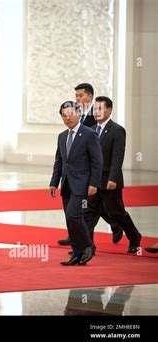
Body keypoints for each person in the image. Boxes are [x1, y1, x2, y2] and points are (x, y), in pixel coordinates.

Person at [58, 83, 123, 246]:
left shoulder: (96, 114)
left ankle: (87, 239)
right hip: (78, 168)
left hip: (92, 168)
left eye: (81, 95)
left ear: (90, 97)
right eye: (76, 96)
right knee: (89, 205)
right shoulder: (75, 114)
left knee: (93, 205)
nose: (78, 98)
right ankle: (80, 237)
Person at [83, 97, 142, 254]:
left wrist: (113, 178)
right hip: (93, 180)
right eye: (94, 109)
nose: (96, 112)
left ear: (109, 110)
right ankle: (87, 246)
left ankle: (135, 237)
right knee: (89, 213)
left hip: (109, 179)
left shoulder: (117, 130)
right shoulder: (91, 130)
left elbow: (118, 156)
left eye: (100, 109)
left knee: (117, 212)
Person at [49, 101, 103, 266]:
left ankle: (88, 245)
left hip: (83, 183)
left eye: (70, 114)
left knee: (74, 215)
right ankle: (76, 254)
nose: (67, 118)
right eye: (64, 116)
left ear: (79, 114)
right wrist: (53, 183)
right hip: (66, 184)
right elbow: (59, 162)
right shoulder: (62, 136)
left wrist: (94, 183)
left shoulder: (89, 134)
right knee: (70, 219)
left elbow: (97, 161)